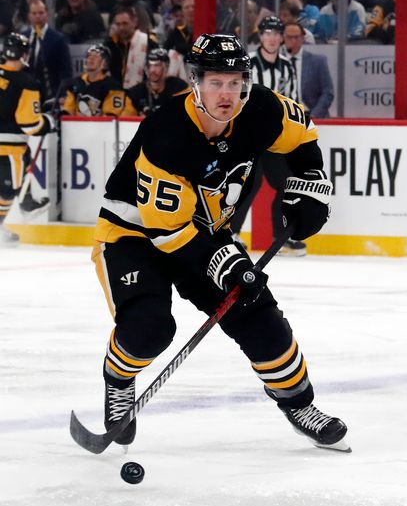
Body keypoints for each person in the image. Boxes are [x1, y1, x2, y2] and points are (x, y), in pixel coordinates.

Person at [92, 33, 349, 452]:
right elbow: (169, 233)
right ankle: (118, 379)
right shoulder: (166, 134)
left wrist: (309, 185)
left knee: (258, 315)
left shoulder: (262, 109)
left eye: (234, 82)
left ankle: (298, 404)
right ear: (195, 82)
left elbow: (304, 138)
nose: (226, 93)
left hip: (205, 231)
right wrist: (223, 260)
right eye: (215, 82)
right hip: (134, 234)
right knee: (150, 327)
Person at [230, 16, 305, 256]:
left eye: (276, 33)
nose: (272, 38)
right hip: (249, 137)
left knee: (286, 184)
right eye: (267, 33)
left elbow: (293, 101)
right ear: (260, 36)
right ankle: (231, 233)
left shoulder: (287, 65)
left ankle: (279, 237)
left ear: (281, 37)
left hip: (275, 139)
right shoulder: (248, 63)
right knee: (248, 184)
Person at [0, 33, 55, 244]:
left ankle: (27, 201)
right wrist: (49, 121)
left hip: (10, 149)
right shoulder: (26, 83)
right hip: (8, 150)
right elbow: (30, 125)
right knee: (7, 190)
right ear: (24, 54)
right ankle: (25, 204)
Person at [60, 44, 137, 116]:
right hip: (77, 128)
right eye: (89, 55)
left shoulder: (113, 86)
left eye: (96, 56)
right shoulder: (76, 82)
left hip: (101, 129)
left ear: (105, 63)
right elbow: (68, 111)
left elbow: (111, 116)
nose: (91, 58)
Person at [21, 0, 73, 106]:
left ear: (47, 14)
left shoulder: (59, 39)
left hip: (50, 95)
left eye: (41, 13)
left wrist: (63, 94)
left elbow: (66, 71)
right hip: (25, 94)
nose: (37, 16)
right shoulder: (22, 37)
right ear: (29, 16)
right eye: (34, 13)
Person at [283, 21, 334, 119]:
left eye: (296, 37)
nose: (293, 41)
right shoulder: (276, 62)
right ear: (283, 38)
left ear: (302, 38)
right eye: (289, 37)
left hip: (312, 116)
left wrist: (314, 115)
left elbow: (328, 92)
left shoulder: (318, 61)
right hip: (283, 118)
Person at [105, 6, 159, 89]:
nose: (121, 28)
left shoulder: (149, 43)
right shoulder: (109, 44)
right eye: (118, 24)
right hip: (114, 93)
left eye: (125, 23)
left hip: (142, 92)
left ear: (135, 22)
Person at [126, 47, 188, 116]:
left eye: (157, 65)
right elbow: (126, 120)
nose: (152, 70)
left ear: (166, 67)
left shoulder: (179, 88)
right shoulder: (135, 92)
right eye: (150, 65)